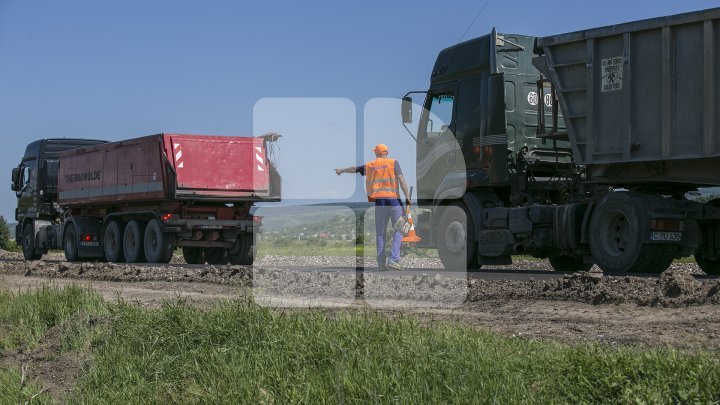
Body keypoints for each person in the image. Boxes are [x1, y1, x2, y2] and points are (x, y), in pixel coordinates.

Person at [335, 144, 411, 270]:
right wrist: (407, 197)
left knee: (380, 233)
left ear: (376, 153)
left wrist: (341, 170)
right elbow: (401, 180)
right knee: (400, 228)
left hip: (380, 202)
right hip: (394, 201)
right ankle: (393, 259)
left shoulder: (371, 165)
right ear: (386, 152)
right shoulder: (394, 162)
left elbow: (354, 169)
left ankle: (381, 264)